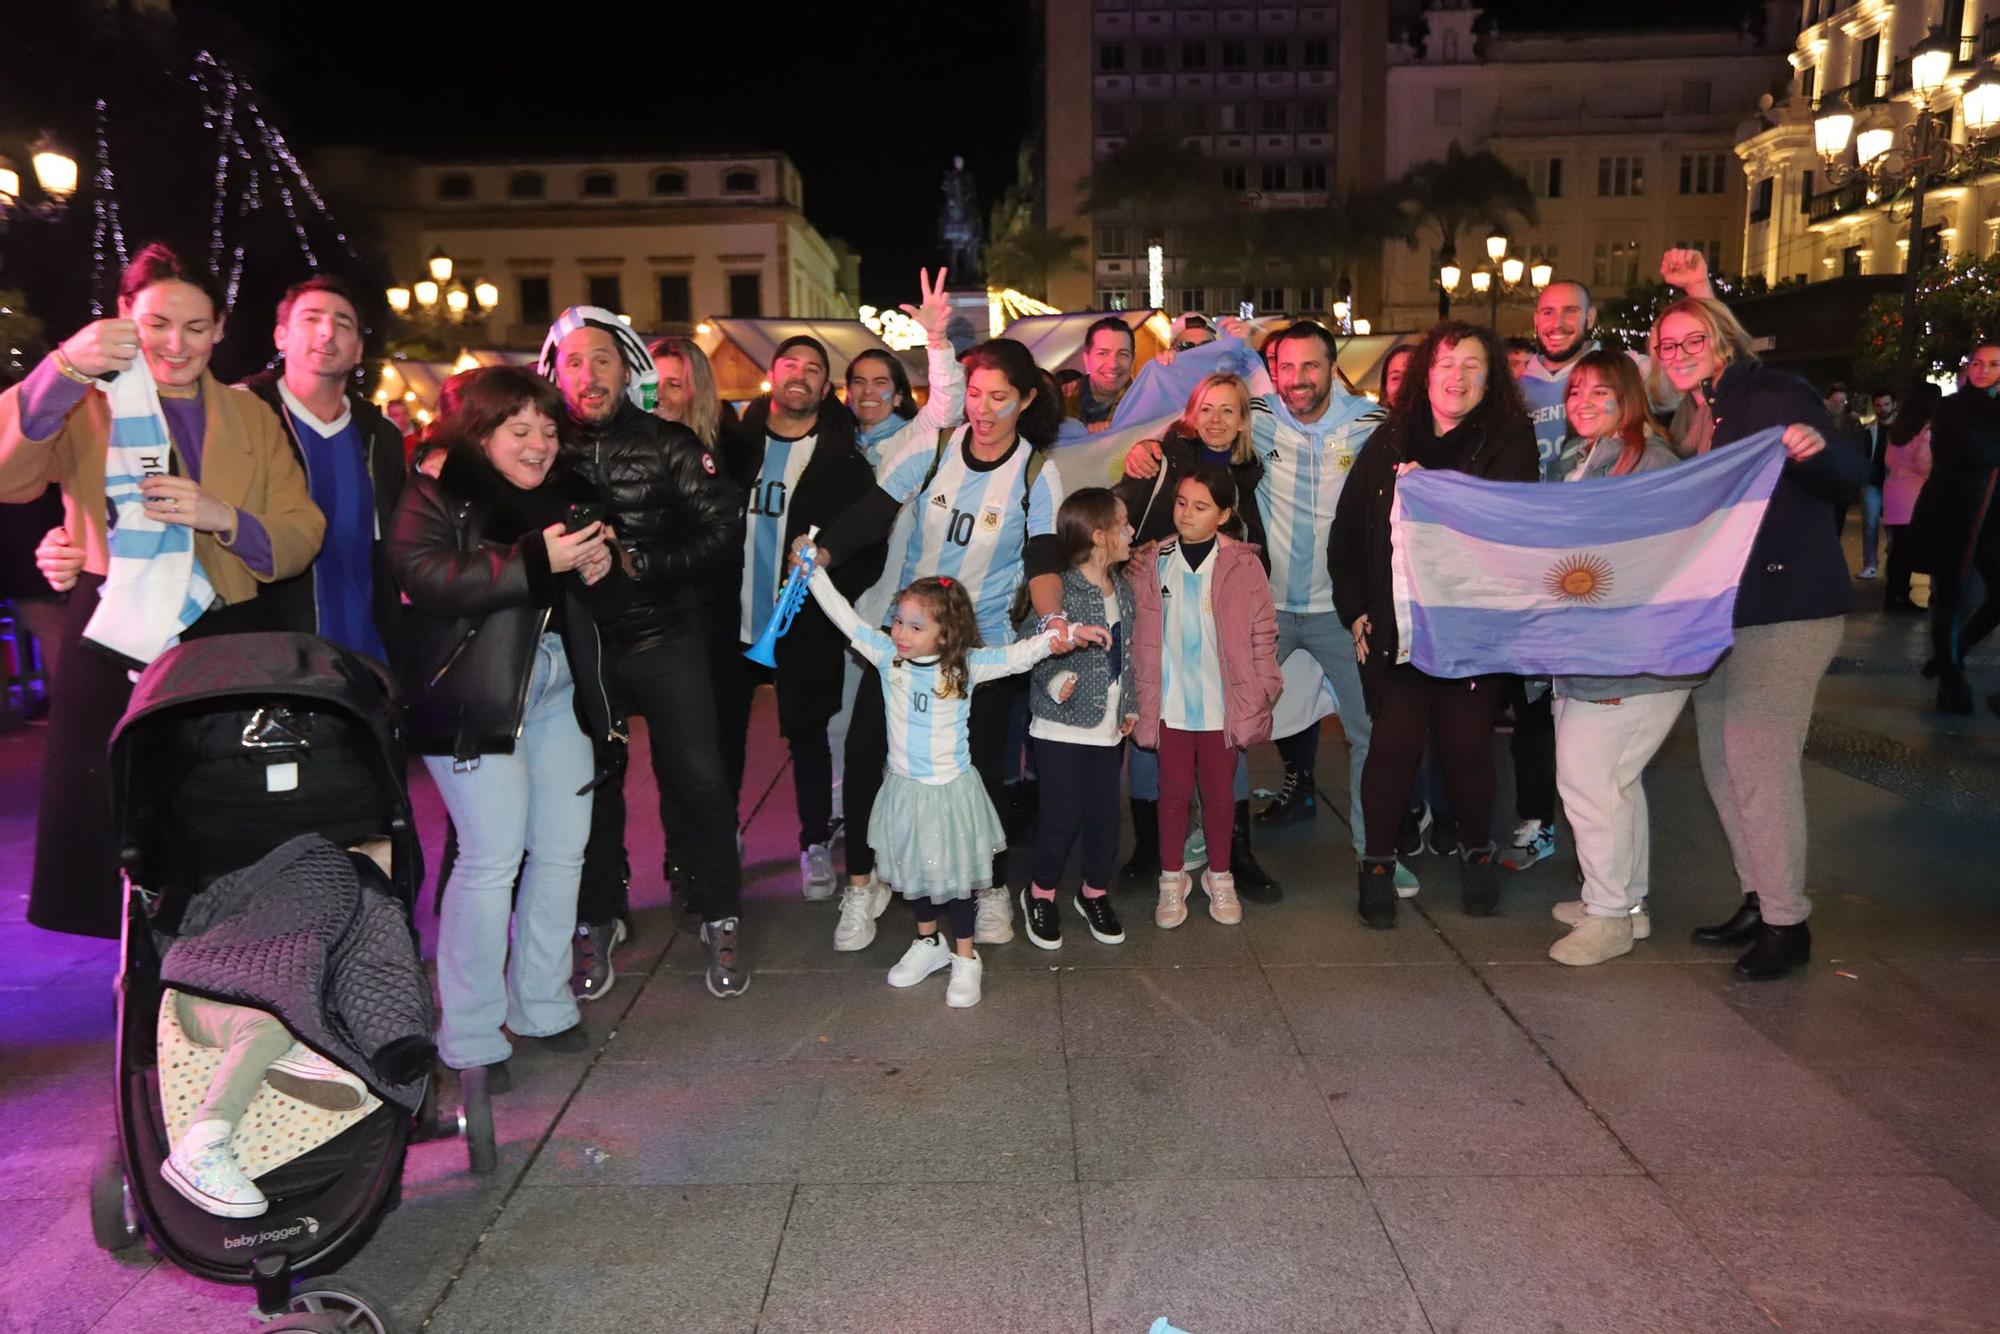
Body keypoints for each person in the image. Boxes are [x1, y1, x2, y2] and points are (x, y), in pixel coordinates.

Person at [0, 242, 323, 940]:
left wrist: (224, 519)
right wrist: (61, 368)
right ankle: (137, 991)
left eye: (196, 328)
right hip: (114, 625)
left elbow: (302, 532)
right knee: (112, 821)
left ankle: (214, 977)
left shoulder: (248, 416)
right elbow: (9, 474)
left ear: (219, 330)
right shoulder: (87, 401)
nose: (176, 345)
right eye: (157, 325)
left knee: (215, 824)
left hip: (223, 629)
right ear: (123, 319)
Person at [387, 365, 621, 1079]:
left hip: (555, 693)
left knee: (562, 850)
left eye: (549, 432)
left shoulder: (560, 499)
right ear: (480, 434)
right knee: (491, 860)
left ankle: (543, 1003)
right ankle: (471, 1032)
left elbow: (577, 599)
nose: (539, 446)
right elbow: (422, 578)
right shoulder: (434, 491)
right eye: (520, 431)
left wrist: (598, 566)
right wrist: (533, 560)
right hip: (474, 701)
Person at [813, 337, 1068, 952]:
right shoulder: (932, 449)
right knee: (871, 754)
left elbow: (1041, 558)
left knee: (979, 774)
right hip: (906, 642)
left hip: (978, 652)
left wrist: (1053, 619)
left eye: (999, 398)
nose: (982, 409)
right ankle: (862, 884)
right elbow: (873, 511)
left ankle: (989, 890)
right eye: (974, 394)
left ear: (1027, 399)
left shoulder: (1036, 472)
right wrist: (822, 552)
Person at [1654, 296, 1863, 979]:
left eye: (1692, 341)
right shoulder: (1697, 414)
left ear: (1722, 342)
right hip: (1726, 613)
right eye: (1667, 345)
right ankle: (1757, 894)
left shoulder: (1772, 392)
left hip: (1789, 606)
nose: (1678, 353)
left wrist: (1815, 449)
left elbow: (1848, 472)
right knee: (1721, 761)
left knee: (1759, 763)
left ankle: (1786, 921)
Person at [541, 307, 747, 1001]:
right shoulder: (540, 449)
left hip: (667, 638)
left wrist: (635, 562)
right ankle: (599, 916)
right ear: (554, 371)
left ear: (626, 367)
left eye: (601, 359)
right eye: (573, 361)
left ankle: (719, 911)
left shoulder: (671, 444)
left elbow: (723, 536)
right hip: (580, 650)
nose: (587, 374)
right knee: (592, 788)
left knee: (698, 779)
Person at [796, 554, 1094, 1007]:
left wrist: (1066, 636)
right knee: (914, 873)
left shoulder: (965, 667)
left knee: (955, 881)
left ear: (946, 633)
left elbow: (1018, 655)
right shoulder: (886, 659)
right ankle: (928, 942)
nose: (900, 633)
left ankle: (966, 957)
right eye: (898, 621)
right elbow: (845, 617)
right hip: (905, 791)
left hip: (950, 793)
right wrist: (812, 573)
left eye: (915, 626)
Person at [1330, 320, 1538, 929]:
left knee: (1467, 747)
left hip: (1471, 631)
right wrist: (1357, 610)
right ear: (1426, 372)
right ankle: (1374, 863)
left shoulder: (1509, 437)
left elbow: (1511, 522)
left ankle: (1477, 851)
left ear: (1490, 378)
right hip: (1397, 629)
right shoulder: (1391, 438)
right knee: (1392, 746)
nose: (1457, 376)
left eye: (1473, 365)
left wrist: (1435, 491)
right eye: (1446, 363)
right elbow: (1347, 534)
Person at [717, 325, 889, 902]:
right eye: (790, 363)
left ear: (825, 388)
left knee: (808, 736)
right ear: (773, 375)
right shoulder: (732, 447)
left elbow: (871, 544)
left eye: (814, 369)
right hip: (730, 620)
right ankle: (721, 837)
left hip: (801, 625)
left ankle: (815, 840)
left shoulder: (843, 460)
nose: (800, 374)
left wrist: (825, 582)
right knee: (722, 738)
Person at [1541, 352, 1693, 966]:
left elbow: (1651, 563)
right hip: (1585, 653)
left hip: (1629, 656)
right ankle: (1623, 903)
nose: (1582, 402)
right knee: (1614, 784)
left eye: (1599, 392)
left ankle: (1607, 917)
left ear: (1629, 397)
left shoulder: (1649, 464)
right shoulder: (1578, 461)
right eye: (1575, 391)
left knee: (1589, 782)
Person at [1112, 371, 1278, 897]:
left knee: (1226, 737)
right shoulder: (1162, 457)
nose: (1216, 420)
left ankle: (1234, 854)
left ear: (1244, 420)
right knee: (1151, 736)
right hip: (1155, 610)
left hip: (1218, 620)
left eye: (1229, 410)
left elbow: (1257, 545)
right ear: (1190, 411)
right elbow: (1120, 514)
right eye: (1207, 407)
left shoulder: (1252, 471)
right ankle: (1151, 849)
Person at [221, 275, 407, 662]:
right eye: (311, 319)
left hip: (366, 660)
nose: (327, 333)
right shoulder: (239, 413)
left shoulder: (380, 436)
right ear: (281, 336)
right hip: (268, 659)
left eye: (343, 324)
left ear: (358, 351)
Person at [1132, 467, 1283, 928]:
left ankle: (1221, 876)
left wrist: (1262, 688)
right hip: (1171, 708)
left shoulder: (1243, 564)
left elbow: (1263, 633)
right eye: (1181, 503)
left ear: (1224, 514)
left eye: (1200, 507)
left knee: (1220, 795)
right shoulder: (1153, 561)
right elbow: (1137, 635)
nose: (1186, 514)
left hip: (1222, 708)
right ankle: (1171, 878)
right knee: (1173, 794)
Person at [1022, 488, 1136, 949]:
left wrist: (1130, 704)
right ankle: (1041, 892)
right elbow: (1031, 647)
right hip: (1058, 727)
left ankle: (1093, 892)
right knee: (1061, 814)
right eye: (1123, 523)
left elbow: (1127, 656)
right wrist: (1054, 683)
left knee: (1105, 816)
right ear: (1099, 536)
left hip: (1107, 730)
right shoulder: (1059, 589)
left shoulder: (1123, 591)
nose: (1131, 531)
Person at [1916, 338, 2000, 715]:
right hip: (1955, 515)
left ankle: (1952, 654)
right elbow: (1975, 453)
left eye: (1993, 365)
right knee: (1952, 598)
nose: (1983, 371)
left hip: (1993, 517)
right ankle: (1951, 680)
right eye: (1978, 363)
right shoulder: (1952, 407)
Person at [1880, 385, 1938, 615]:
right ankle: (1899, 598)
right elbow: (1925, 465)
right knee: (1906, 551)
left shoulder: (1897, 429)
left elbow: (1888, 460)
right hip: (1914, 496)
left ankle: (1894, 596)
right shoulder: (1926, 432)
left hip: (1894, 492)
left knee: (1897, 551)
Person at [649, 335, 732, 448]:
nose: (658, 394)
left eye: (674, 385)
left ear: (699, 393)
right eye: (652, 383)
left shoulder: (709, 458)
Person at [1063, 316, 1136, 431]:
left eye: (1123, 354)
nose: (1113, 364)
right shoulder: (1061, 404)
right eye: (1102, 353)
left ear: (1132, 360)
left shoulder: (1144, 405)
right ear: (1086, 359)